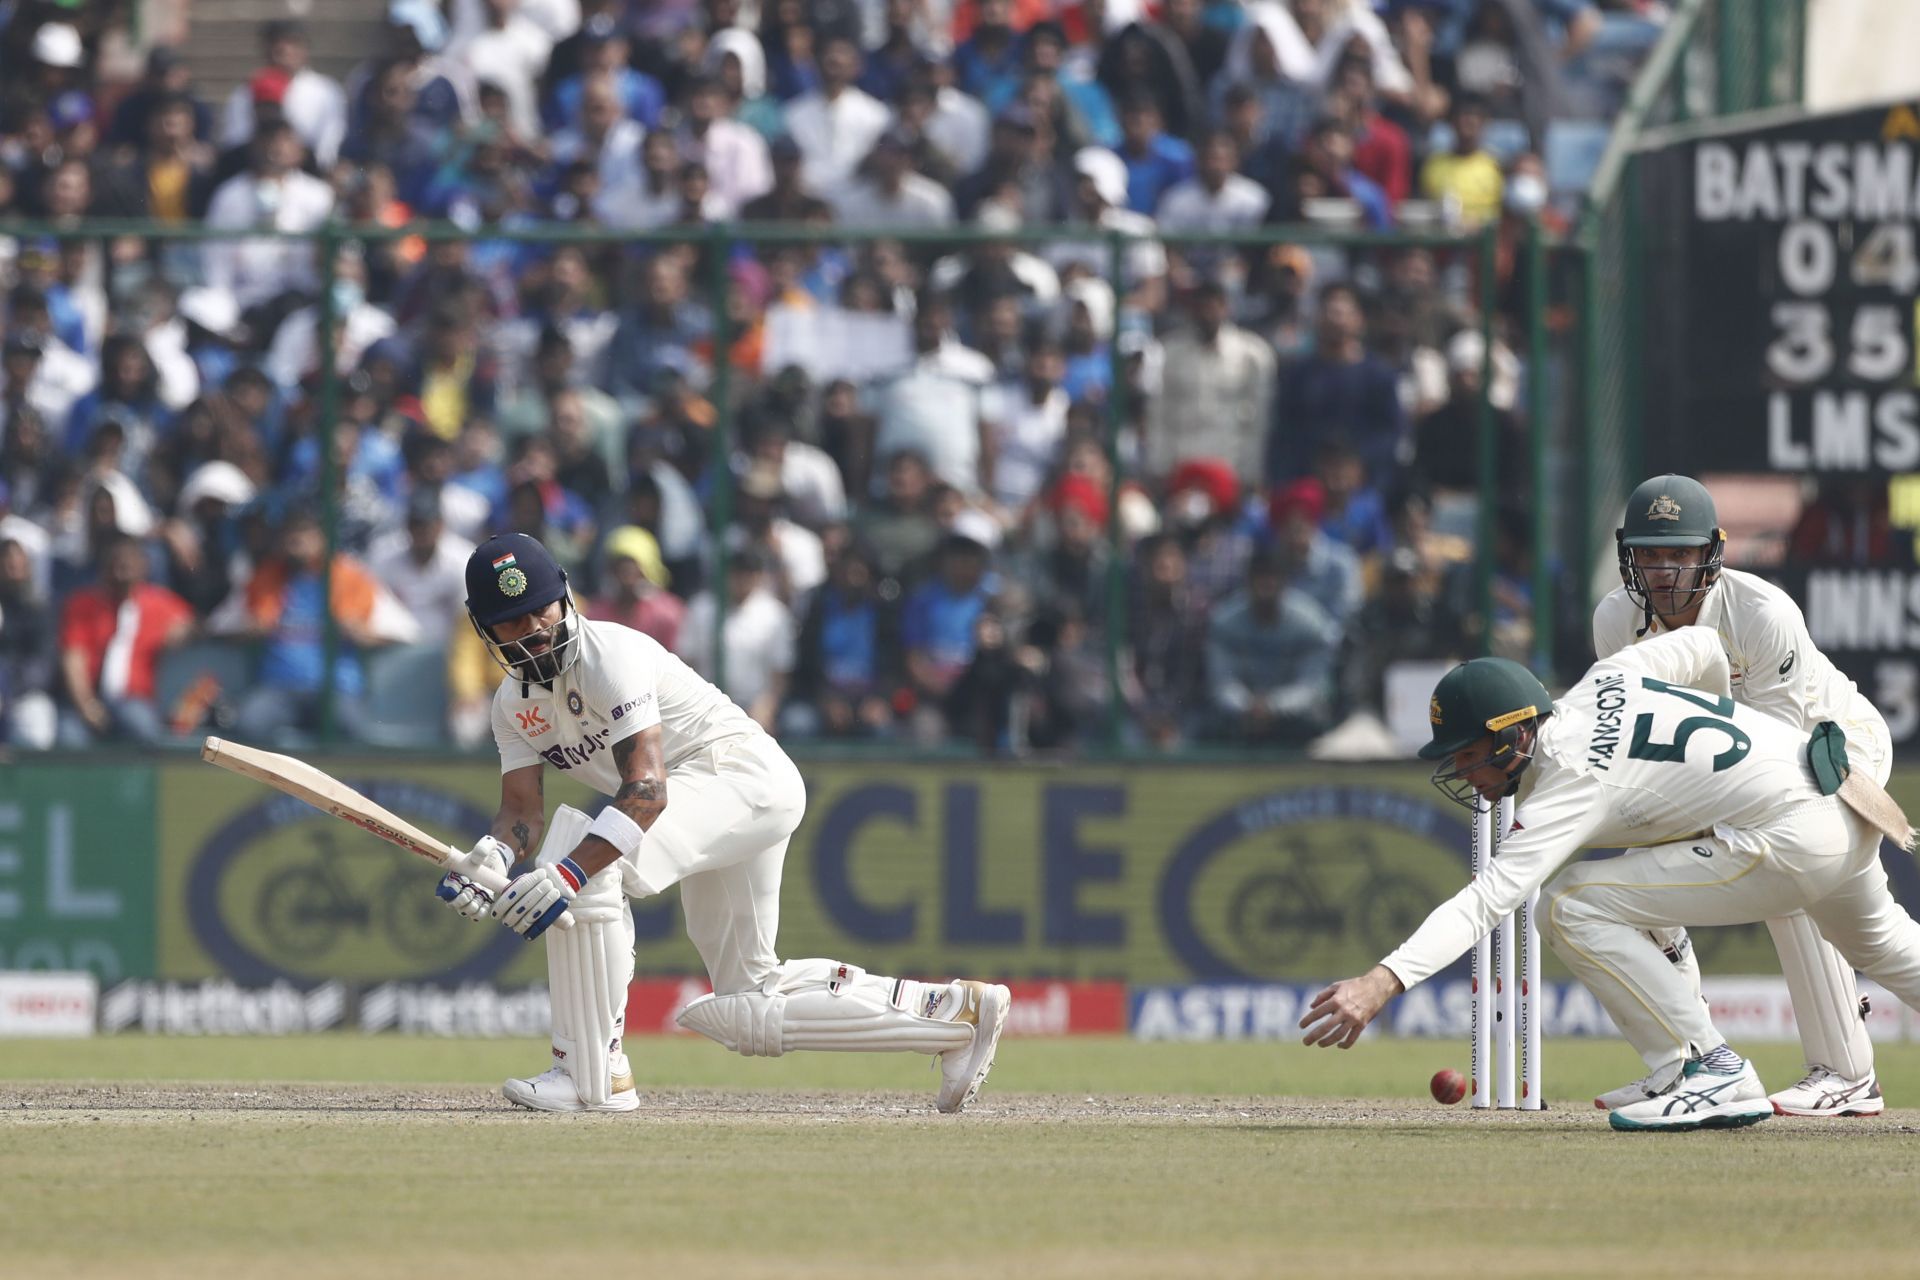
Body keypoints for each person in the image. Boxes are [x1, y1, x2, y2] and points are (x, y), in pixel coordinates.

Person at [431, 533, 1011, 1114]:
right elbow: (521, 815)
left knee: (590, 862)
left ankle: (589, 1073)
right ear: (485, 629)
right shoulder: (512, 707)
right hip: (716, 795)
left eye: (541, 608)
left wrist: (565, 878)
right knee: (749, 1001)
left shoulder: (612, 657)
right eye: (511, 620)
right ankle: (954, 1015)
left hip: (738, 775)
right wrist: (492, 860)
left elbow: (647, 791)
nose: (533, 628)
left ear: (565, 598)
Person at [1298, 632, 1920, 1132]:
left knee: (1571, 904)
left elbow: (1488, 900)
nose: (1464, 772)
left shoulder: (1569, 778)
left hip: (1791, 832)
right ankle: (1679, 1065)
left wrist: (1383, 980)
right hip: (1838, 794)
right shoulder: (1608, 679)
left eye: (1469, 755)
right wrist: (1712, 770)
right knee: (1888, 950)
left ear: (1517, 734)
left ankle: (1711, 1068)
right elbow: (1703, 646)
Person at [1594, 475, 1892, 1117]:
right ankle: (1688, 1061)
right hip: (1711, 763)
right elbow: (1635, 735)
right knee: (1627, 867)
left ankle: (1845, 1072)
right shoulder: (1615, 618)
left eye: (1679, 553)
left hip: (1831, 747)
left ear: (1712, 552)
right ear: (1628, 555)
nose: (1665, 570)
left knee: (1788, 869)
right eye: (1650, 553)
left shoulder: (1762, 613)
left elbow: (1775, 758)